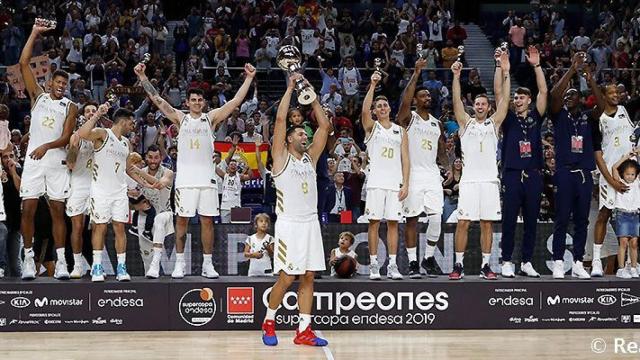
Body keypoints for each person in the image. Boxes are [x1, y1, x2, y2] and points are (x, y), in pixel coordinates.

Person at [135, 61, 256, 279]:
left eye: (200, 100)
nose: (197, 103)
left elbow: (236, 101)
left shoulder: (211, 119)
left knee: (207, 221)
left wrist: (248, 78)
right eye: (193, 100)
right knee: (181, 220)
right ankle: (179, 263)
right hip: (185, 181)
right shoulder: (180, 119)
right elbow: (158, 100)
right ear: (187, 102)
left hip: (207, 180)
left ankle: (207, 264)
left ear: (204, 102)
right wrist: (143, 78)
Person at [261, 73, 331, 347]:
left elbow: (324, 126)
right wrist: (290, 88)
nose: (306, 135)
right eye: (301, 133)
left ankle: (304, 329)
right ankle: (269, 322)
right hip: (289, 224)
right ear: (289, 140)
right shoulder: (280, 159)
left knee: (309, 275)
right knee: (287, 277)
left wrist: (311, 96)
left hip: (310, 223)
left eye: (305, 133)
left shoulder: (310, 159)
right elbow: (279, 121)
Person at [19, 22, 78, 280]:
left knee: (57, 211)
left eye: (65, 83)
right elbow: (23, 63)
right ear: (50, 81)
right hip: (34, 161)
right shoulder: (38, 97)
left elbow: (66, 138)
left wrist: (46, 146)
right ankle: (29, 260)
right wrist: (34, 33)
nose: (61, 86)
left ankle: (62, 262)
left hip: (55, 161)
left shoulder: (71, 106)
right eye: (58, 81)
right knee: (28, 209)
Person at [77, 104, 158, 282]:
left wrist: (146, 184)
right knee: (100, 227)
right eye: (131, 123)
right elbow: (81, 135)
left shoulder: (126, 143)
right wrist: (98, 113)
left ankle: (121, 267)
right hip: (100, 190)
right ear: (123, 121)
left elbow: (128, 168)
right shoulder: (102, 134)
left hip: (119, 192)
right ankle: (97, 266)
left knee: (120, 228)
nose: (133, 126)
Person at [449, 52, 510, 280]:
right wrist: (455, 77)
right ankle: (458, 265)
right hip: (469, 182)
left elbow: (504, 100)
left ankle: (486, 265)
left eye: (484, 103)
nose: (481, 106)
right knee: (463, 222)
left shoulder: (494, 124)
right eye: (477, 103)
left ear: (489, 106)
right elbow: (456, 102)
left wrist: (506, 71)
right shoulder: (465, 124)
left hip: (490, 182)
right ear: (473, 106)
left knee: (487, 224)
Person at [495, 45, 547, 278]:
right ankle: (507, 260)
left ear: (529, 100)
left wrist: (536, 66)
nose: (516, 99)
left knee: (531, 221)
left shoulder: (536, 116)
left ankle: (526, 261)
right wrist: (502, 69)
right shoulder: (508, 119)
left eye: (521, 97)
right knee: (508, 219)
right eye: (515, 97)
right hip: (513, 173)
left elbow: (544, 92)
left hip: (534, 173)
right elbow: (499, 94)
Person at [549, 53, 600, 279]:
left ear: (580, 99)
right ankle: (559, 261)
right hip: (564, 173)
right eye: (567, 95)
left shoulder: (589, 118)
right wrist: (571, 69)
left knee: (582, 220)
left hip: (584, 175)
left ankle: (579, 261)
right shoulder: (559, 116)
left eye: (573, 95)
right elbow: (554, 95)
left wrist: (589, 78)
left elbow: (602, 104)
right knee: (562, 218)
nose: (568, 97)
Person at [396, 57, 448, 278]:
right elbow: (403, 103)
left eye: (429, 95)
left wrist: (450, 168)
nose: (428, 97)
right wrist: (416, 73)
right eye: (423, 95)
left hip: (432, 174)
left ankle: (428, 257)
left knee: (437, 217)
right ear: (416, 100)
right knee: (413, 220)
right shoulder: (409, 118)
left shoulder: (437, 123)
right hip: (413, 174)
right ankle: (413, 262)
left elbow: (442, 150)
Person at [362, 71, 409, 280]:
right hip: (375, 183)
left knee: (393, 224)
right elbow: (364, 112)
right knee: (373, 222)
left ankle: (392, 265)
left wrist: (406, 184)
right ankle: (373, 265)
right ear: (375, 110)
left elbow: (405, 159)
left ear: (390, 108)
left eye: (385, 105)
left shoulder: (400, 131)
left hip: (394, 184)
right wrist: (372, 85)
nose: (382, 108)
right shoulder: (372, 128)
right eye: (378, 106)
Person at [590, 82, 636, 277]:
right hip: (608, 173)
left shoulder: (628, 110)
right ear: (603, 95)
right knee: (604, 215)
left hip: (631, 174)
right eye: (611, 92)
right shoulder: (596, 118)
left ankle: (631, 264)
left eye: (618, 91)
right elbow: (597, 154)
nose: (616, 95)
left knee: (633, 217)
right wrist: (610, 179)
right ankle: (596, 262)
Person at [65, 102, 98, 278]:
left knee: (97, 228)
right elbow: (70, 164)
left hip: (97, 186)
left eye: (94, 110)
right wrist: (74, 147)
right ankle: (77, 265)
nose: (91, 113)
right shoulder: (75, 136)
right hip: (78, 185)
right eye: (87, 111)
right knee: (77, 227)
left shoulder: (103, 136)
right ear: (82, 116)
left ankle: (96, 264)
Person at [139, 145, 174, 278]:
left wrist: (137, 171)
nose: (153, 161)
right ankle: (150, 278)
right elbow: (130, 198)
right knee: (146, 255)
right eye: (150, 157)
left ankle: (155, 265)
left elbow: (160, 184)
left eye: (156, 158)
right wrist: (137, 206)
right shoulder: (139, 172)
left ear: (161, 158)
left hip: (165, 213)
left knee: (159, 219)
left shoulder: (168, 172)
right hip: (144, 216)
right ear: (146, 158)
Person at [610, 152, 640, 278]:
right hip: (622, 215)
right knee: (623, 242)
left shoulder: (637, 182)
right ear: (623, 174)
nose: (630, 177)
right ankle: (621, 269)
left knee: (634, 243)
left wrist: (637, 155)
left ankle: (633, 267)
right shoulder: (620, 182)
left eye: (632, 174)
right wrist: (626, 157)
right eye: (627, 174)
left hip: (635, 215)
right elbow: (614, 168)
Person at [127, 152, 156, 240]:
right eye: (138, 163)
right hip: (134, 198)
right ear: (134, 163)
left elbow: (142, 183)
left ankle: (134, 227)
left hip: (137, 196)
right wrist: (128, 191)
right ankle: (146, 231)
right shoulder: (127, 174)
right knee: (151, 211)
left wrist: (149, 186)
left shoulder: (135, 173)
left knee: (140, 208)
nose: (141, 164)